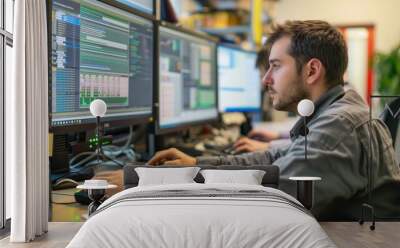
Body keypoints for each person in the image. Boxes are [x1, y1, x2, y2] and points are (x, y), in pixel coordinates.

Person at [147, 20, 400, 219]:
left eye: (276, 66)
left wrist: (165, 184)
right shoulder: (332, 112)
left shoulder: (340, 125)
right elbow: (274, 160)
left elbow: (270, 197)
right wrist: (197, 163)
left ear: (312, 70)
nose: (265, 79)